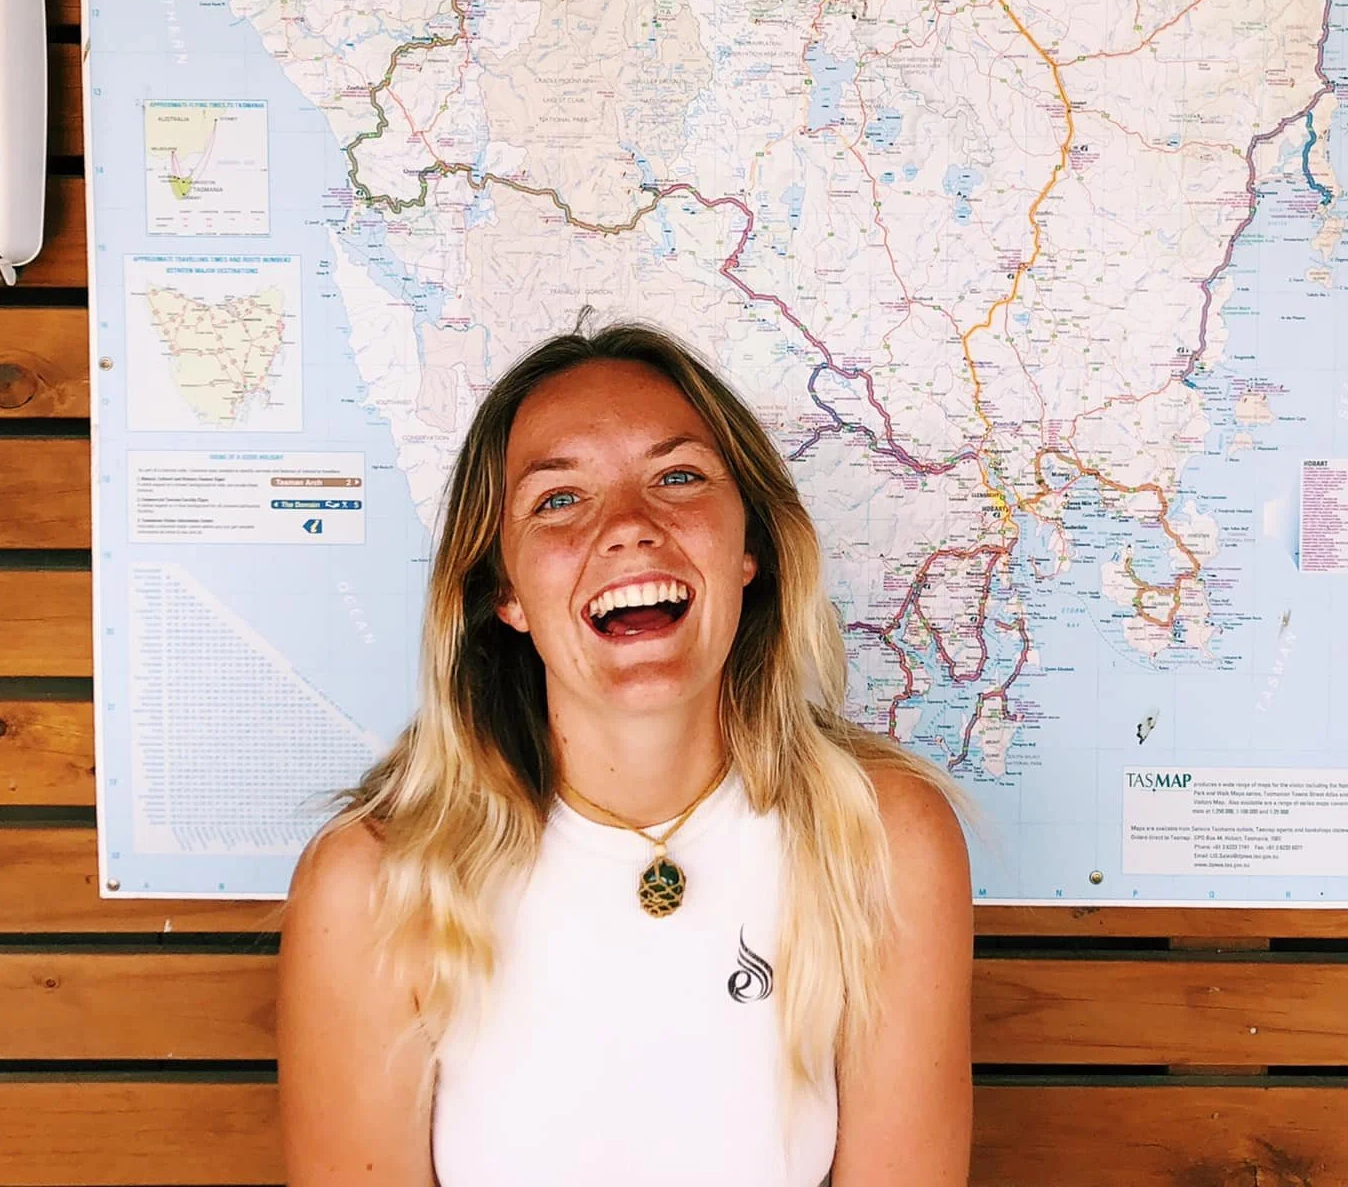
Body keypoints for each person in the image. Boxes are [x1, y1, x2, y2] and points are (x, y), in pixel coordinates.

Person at [279, 321, 973, 1185]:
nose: (630, 526)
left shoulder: (886, 839)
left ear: (748, 548)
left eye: (678, 477)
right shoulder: (374, 882)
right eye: (558, 500)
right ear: (504, 593)